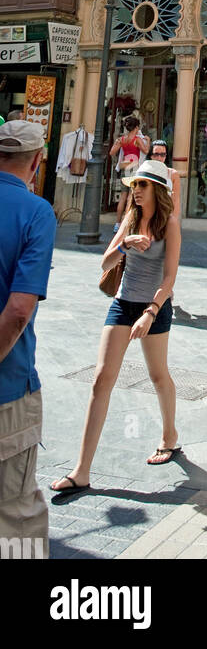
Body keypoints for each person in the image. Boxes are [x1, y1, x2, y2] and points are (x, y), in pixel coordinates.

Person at [50, 159, 181, 495]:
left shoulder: (170, 224)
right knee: (101, 379)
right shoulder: (130, 218)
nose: (135, 191)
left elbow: (169, 277)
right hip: (123, 304)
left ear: (157, 190)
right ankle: (81, 471)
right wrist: (124, 245)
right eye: (134, 185)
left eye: (142, 185)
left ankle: (169, 436)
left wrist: (151, 311)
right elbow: (105, 262)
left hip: (155, 307)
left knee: (158, 375)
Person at [0, 122, 55, 553]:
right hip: (9, 385)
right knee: (16, 516)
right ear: (37, 161)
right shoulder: (36, 212)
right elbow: (19, 311)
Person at [108, 116, 151, 225]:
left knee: (123, 196)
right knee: (131, 197)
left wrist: (117, 143)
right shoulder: (137, 140)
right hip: (134, 167)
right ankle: (126, 223)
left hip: (125, 166)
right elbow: (146, 151)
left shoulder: (122, 139)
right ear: (136, 127)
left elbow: (112, 152)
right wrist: (148, 141)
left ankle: (117, 224)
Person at [148, 141, 181, 219]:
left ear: (166, 156)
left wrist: (173, 221)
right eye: (156, 154)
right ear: (151, 156)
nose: (159, 158)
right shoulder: (145, 172)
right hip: (148, 216)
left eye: (162, 155)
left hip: (166, 216)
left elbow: (175, 201)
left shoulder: (173, 174)